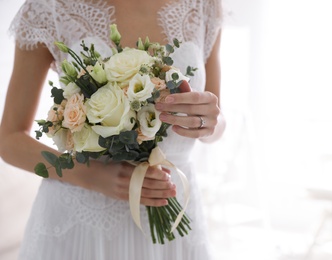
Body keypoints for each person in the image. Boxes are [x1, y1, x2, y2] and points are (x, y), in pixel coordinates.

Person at [0, 0, 225, 259]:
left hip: (173, 207)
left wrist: (210, 123)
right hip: (81, 222)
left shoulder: (204, 4)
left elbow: (216, 121)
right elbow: (9, 140)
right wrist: (92, 176)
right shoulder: (48, 6)